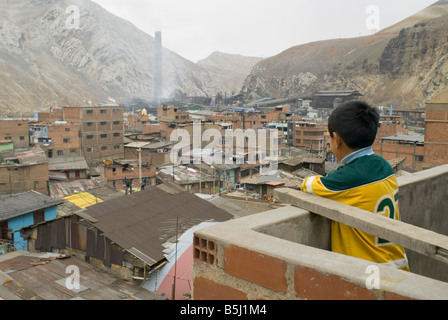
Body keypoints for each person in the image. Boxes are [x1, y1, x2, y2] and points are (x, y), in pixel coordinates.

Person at [300, 101, 409, 271]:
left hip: (370, 273)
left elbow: (309, 185)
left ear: (337, 140)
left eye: (329, 137)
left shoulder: (348, 178)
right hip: (398, 264)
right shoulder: (384, 166)